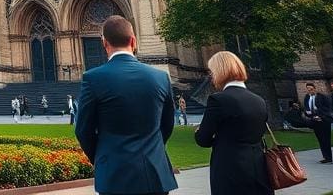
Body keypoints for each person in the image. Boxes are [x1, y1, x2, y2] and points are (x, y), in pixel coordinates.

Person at [75, 15, 177, 195]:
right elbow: (167, 124)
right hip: (155, 175)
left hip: (114, 175)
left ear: (104, 43)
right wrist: (152, 149)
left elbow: (83, 130)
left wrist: (103, 159)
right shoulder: (161, 77)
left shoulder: (92, 78)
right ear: (133, 41)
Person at [194, 51, 273, 195]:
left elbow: (203, 139)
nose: (211, 77)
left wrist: (200, 132)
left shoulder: (218, 100)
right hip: (259, 166)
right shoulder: (259, 100)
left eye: (212, 72)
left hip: (230, 168)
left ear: (219, 71)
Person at [301, 82, 333, 163]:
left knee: (326, 139)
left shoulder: (322, 96)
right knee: (320, 139)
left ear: (314, 89)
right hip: (314, 120)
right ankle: (325, 156)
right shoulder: (307, 97)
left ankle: (329, 157)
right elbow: (306, 107)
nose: (310, 91)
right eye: (308, 89)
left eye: (311, 89)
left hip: (323, 120)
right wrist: (307, 113)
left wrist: (321, 116)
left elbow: (328, 108)